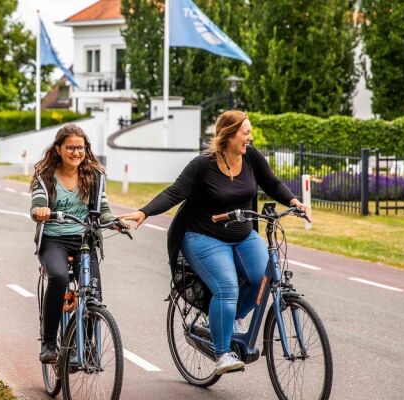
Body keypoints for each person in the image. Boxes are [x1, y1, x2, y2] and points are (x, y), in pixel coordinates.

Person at [120, 110, 309, 375]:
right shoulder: (203, 164)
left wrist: (293, 201)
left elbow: (272, 183)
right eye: (245, 133)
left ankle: (228, 318)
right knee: (227, 287)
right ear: (229, 135)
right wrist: (143, 212)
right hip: (203, 236)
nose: (250, 138)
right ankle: (222, 354)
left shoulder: (250, 157)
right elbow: (175, 192)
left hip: (242, 234)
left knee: (264, 278)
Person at [30, 123, 121, 363]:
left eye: (80, 148)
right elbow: (38, 200)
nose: (76, 153)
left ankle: (86, 347)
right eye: (70, 148)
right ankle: (49, 342)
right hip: (54, 240)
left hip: (84, 240)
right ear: (58, 149)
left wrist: (113, 222)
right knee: (59, 277)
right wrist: (40, 210)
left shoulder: (95, 176)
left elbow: (103, 209)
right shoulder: (45, 176)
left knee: (93, 291)